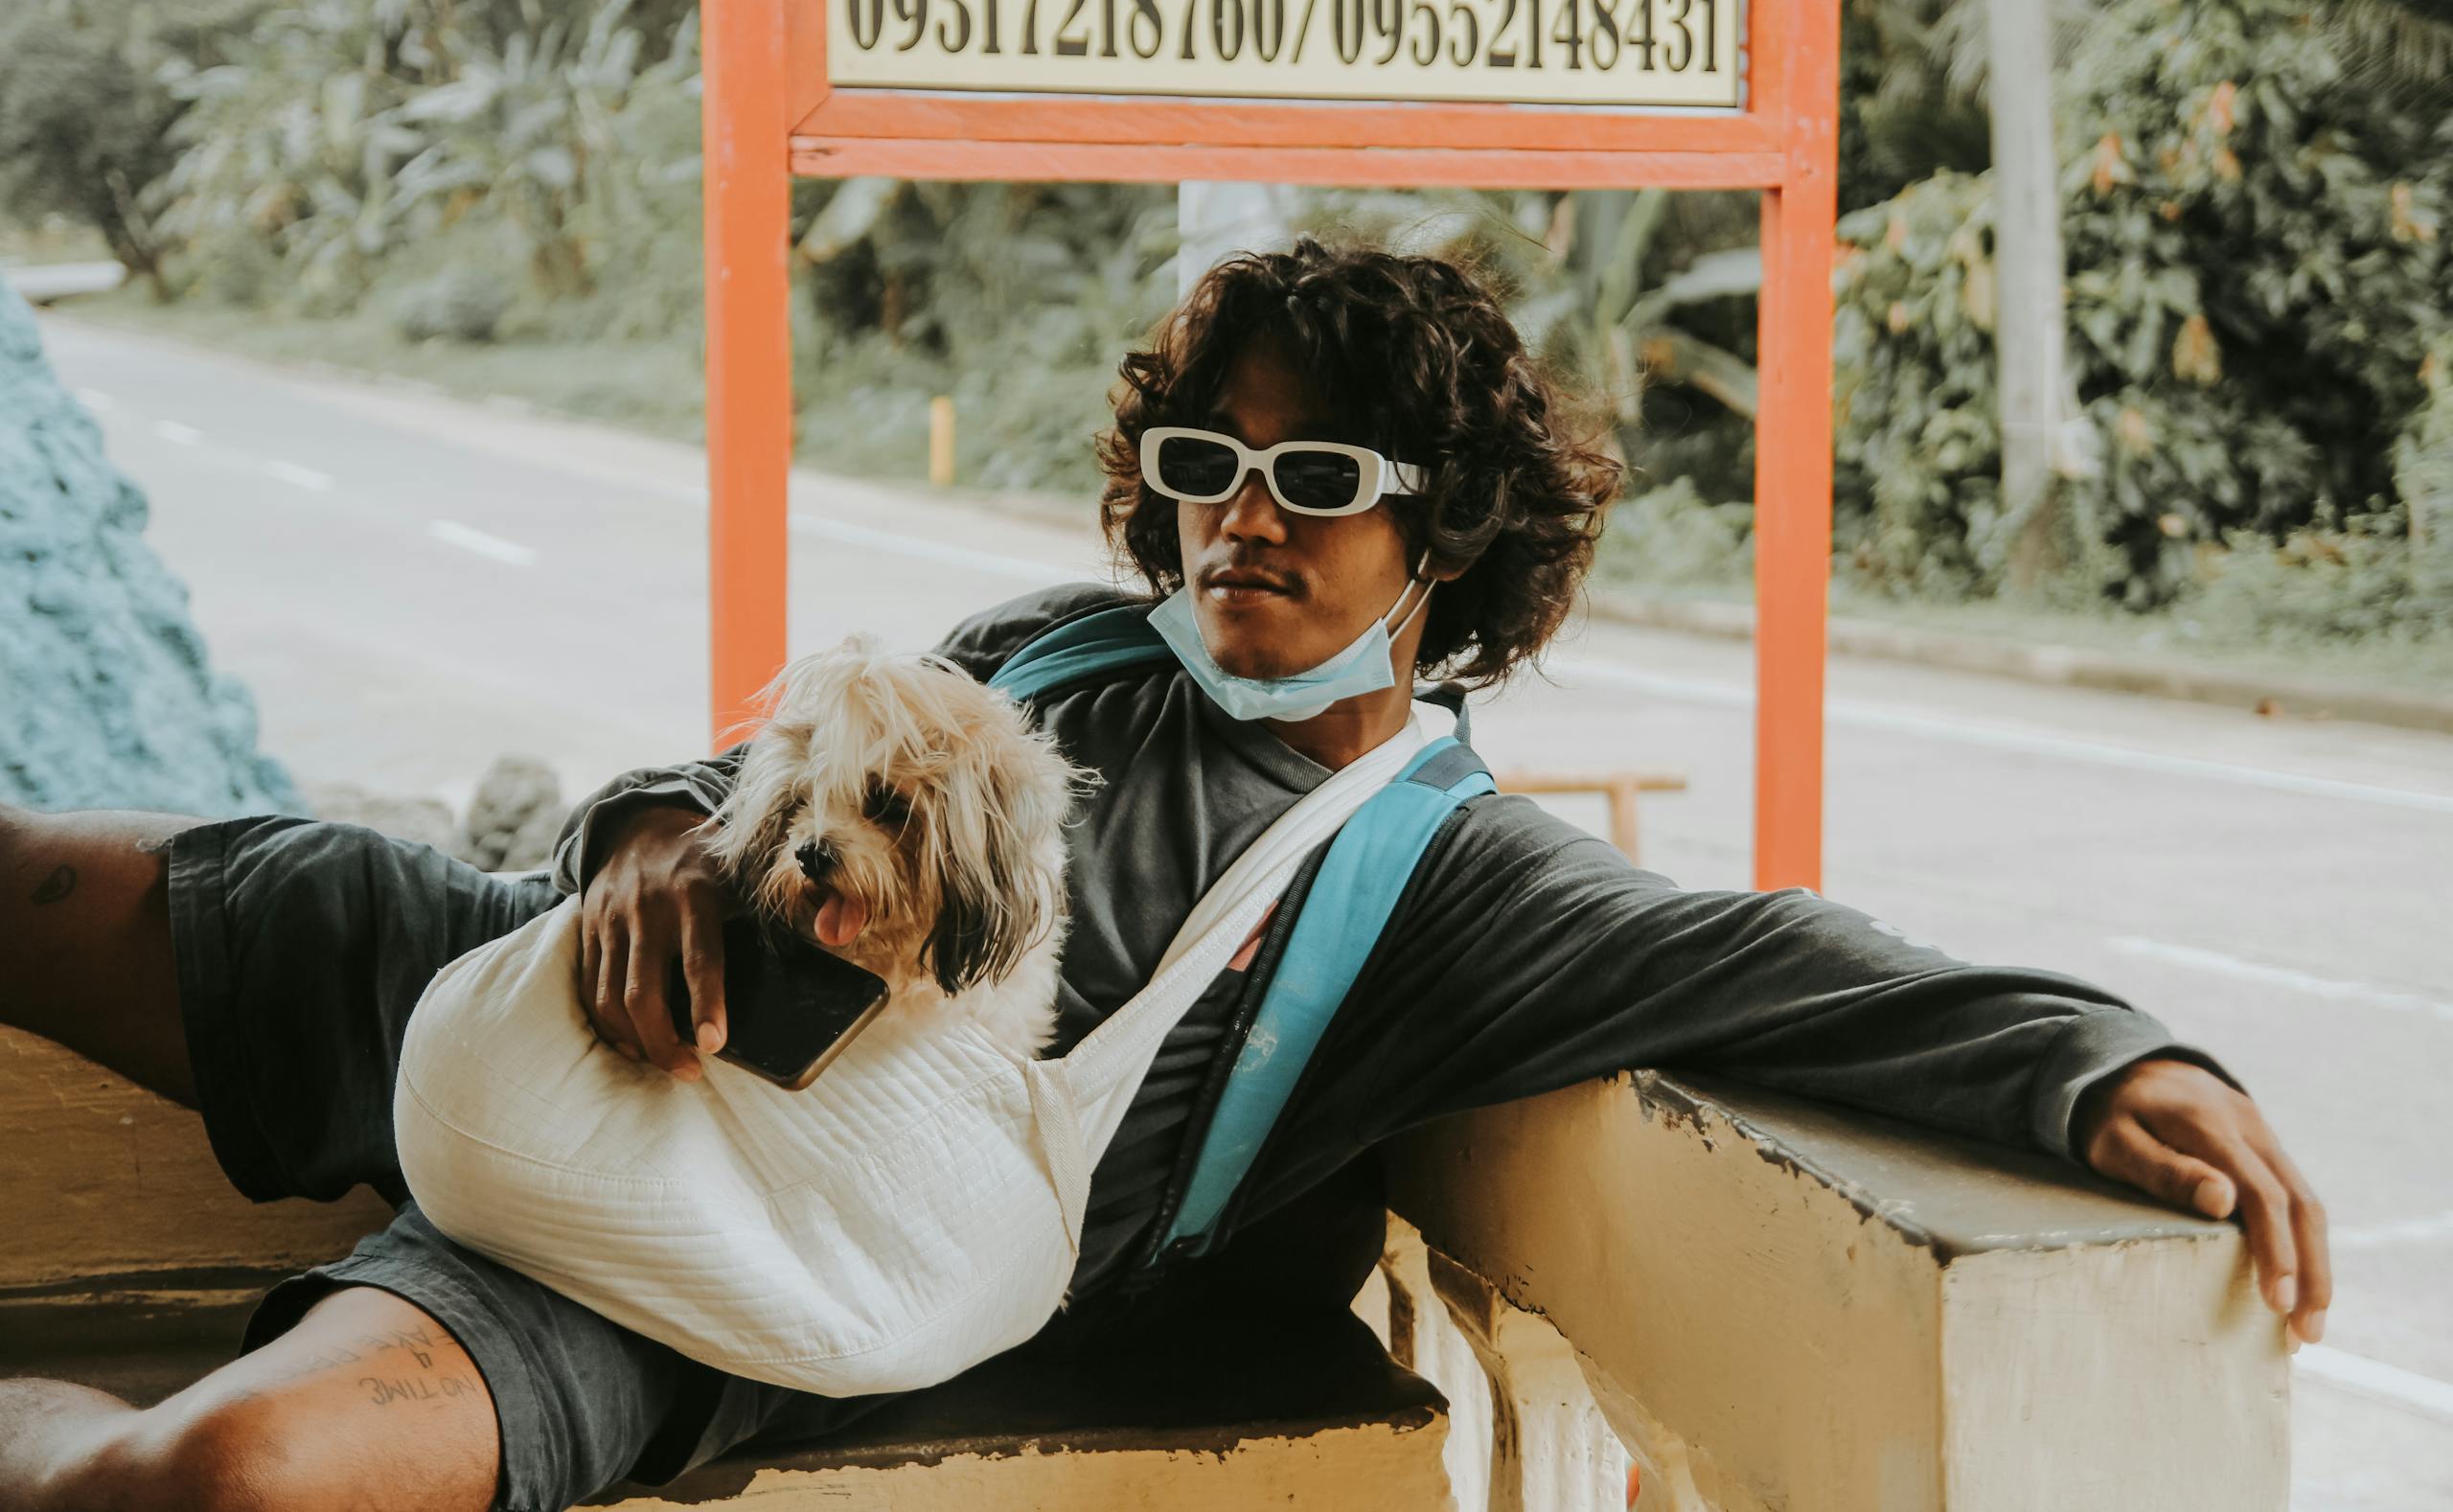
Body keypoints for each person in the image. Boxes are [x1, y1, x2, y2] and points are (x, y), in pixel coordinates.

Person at [0, 240, 2329, 1512]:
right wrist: (634, 842)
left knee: (226, 1483)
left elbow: (1761, 963)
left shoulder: (1441, 880)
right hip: (523, 985)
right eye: (1211, 454)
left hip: (720, 1264)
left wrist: (2093, 1060)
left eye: (1319, 469)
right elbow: (744, 765)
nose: (1245, 510)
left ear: (1450, 536)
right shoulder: (1043, 640)